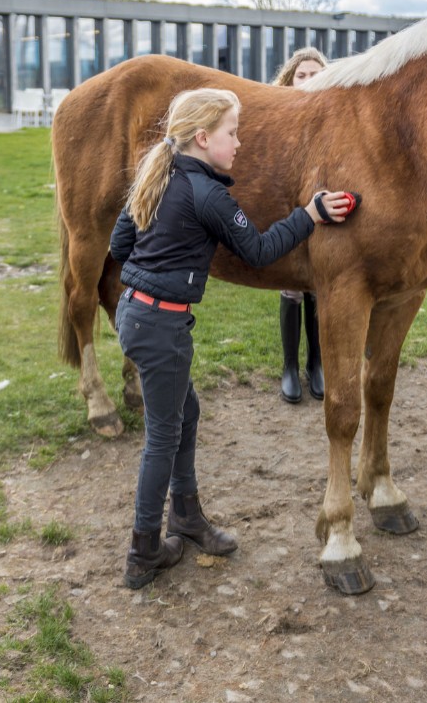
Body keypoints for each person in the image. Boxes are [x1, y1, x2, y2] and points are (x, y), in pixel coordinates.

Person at [110, 87, 352, 589]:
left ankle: (186, 516)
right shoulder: (209, 195)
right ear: (203, 138)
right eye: (232, 132)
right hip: (162, 326)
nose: (239, 143)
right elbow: (260, 251)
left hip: (135, 314)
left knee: (185, 413)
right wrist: (310, 215)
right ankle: (143, 551)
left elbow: (119, 244)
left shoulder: (155, 175)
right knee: (163, 434)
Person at [271, 47, 329, 403]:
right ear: (290, 78)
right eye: (302, 75)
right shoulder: (278, 116)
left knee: (318, 287)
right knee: (292, 287)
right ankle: (290, 367)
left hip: (324, 209)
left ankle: (316, 364)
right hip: (290, 210)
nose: (309, 80)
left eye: (316, 73)